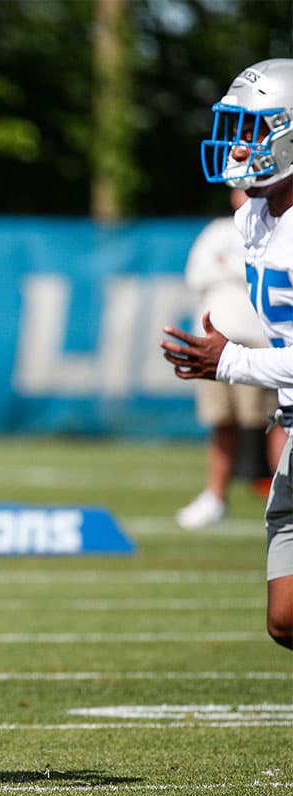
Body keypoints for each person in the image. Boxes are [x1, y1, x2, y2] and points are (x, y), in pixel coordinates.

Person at [161, 57, 293, 650]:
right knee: (284, 619)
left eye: (254, 129)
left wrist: (230, 362)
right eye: (236, 127)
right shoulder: (255, 220)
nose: (239, 144)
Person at [174, 188, 282, 530]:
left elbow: (261, 275)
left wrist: (232, 267)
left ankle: (283, 495)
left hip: (260, 343)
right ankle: (215, 496)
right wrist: (237, 270)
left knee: (274, 421)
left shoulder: (280, 227)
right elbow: (196, 274)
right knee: (221, 421)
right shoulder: (218, 230)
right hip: (216, 345)